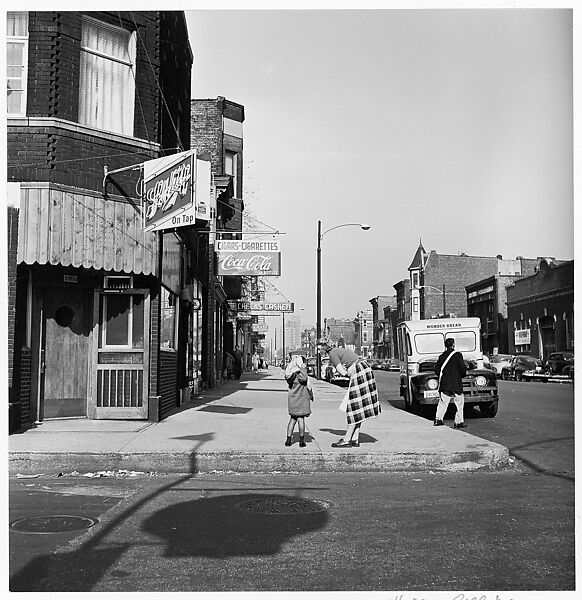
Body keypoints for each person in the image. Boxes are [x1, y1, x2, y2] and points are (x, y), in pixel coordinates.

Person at [318, 340, 380, 448]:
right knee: (359, 407)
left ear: (325, 347)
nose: (318, 351)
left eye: (320, 348)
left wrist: (343, 372)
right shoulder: (337, 350)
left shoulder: (332, 353)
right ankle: (355, 438)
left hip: (359, 370)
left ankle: (347, 440)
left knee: (353, 408)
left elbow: (342, 372)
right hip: (363, 368)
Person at [434, 337, 467, 428]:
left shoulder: (442, 356)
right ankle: (458, 421)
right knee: (459, 402)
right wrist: (462, 374)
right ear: (453, 345)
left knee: (443, 402)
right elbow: (462, 368)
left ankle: (438, 419)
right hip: (456, 383)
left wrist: (444, 376)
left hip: (445, 383)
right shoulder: (457, 355)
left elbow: (437, 369)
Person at [284, 355, 313, 447]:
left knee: (292, 419)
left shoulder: (290, 375)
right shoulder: (300, 375)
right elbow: (305, 378)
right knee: (301, 419)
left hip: (292, 400)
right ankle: (301, 441)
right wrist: (303, 368)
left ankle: (288, 440)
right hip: (301, 400)